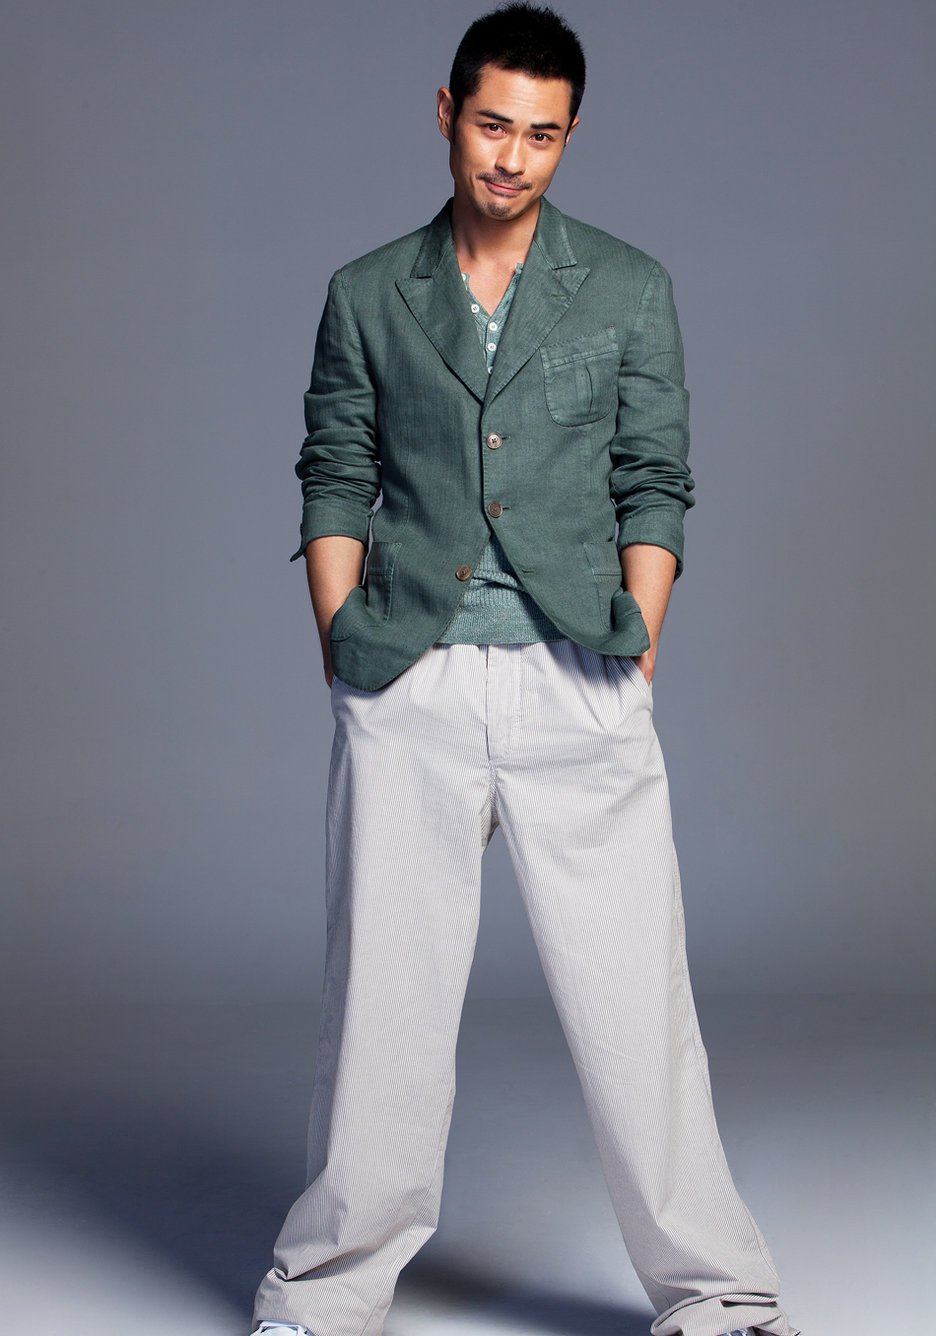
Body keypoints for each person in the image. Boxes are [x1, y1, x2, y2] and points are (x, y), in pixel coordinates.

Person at [250, 6, 800, 1335]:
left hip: (579, 676)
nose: (512, 158)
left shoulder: (628, 286)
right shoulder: (368, 291)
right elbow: (335, 467)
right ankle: (322, 1297)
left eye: (542, 135)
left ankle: (718, 1298)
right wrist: (343, 641)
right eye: (493, 125)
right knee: (382, 1009)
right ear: (448, 114)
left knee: (638, 1007)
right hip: (411, 679)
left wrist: (640, 643)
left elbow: (655, 478)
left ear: (570, 137)